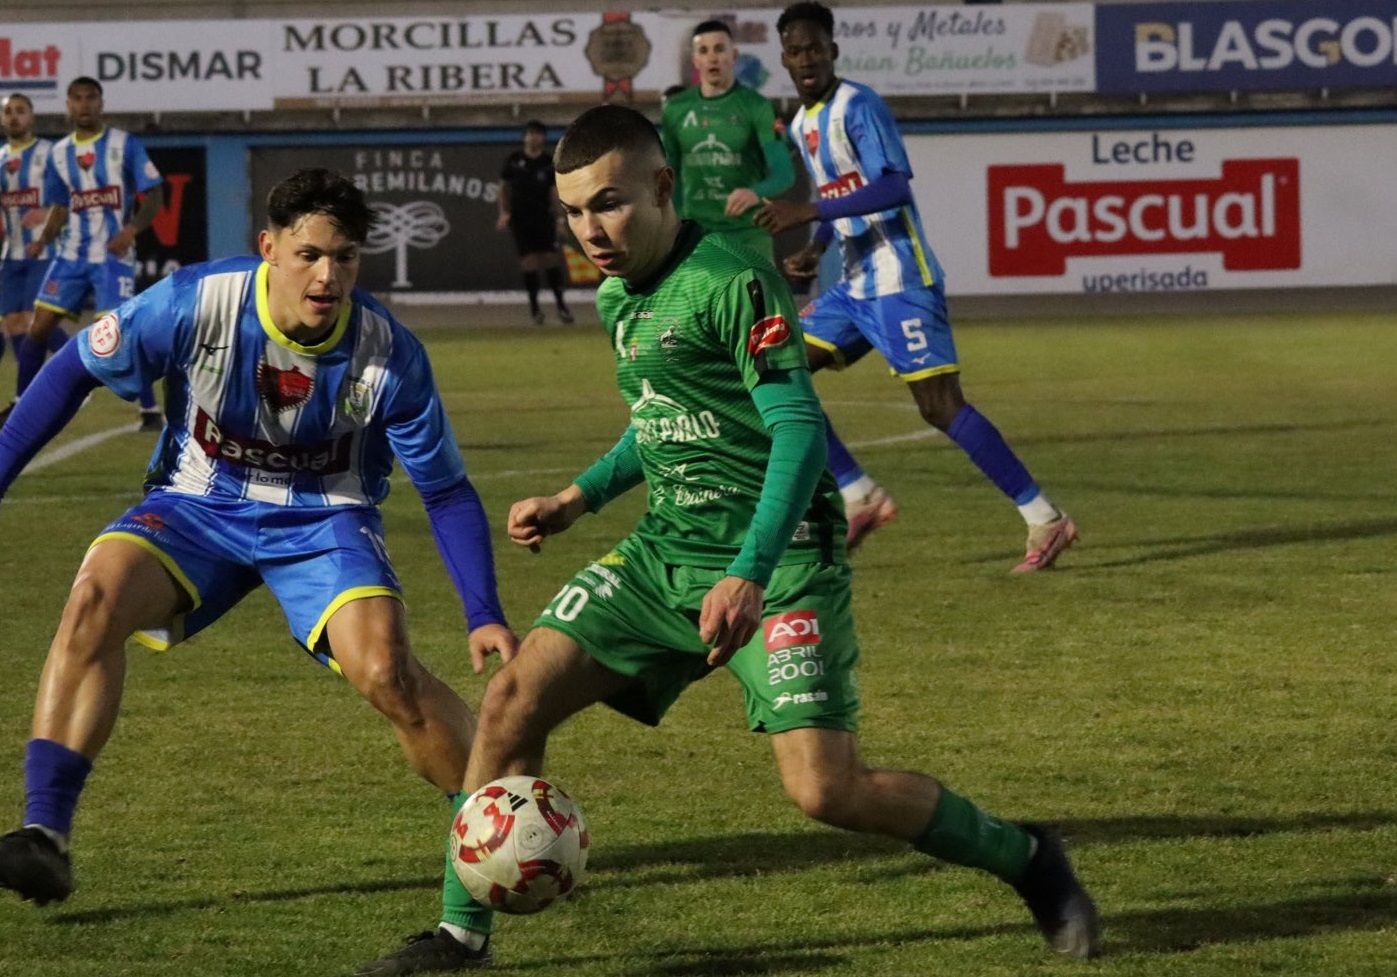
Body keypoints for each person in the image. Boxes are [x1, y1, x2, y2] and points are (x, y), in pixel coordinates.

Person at [357, 105, 1099, 976]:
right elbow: (662, 417)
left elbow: (795, 432)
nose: (590, 231)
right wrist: (575, 498)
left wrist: (748, 572)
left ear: (663, 186)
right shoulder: (615, 293)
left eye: (608, 204)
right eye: (574, 212)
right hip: (663, 553)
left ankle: (1027, 857)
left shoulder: (731, 279)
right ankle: (459, 937)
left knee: (826, 789)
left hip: (778, 565)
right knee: (512, 698)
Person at [0, 168, 517, 908]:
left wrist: (483, 609)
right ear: (268, 247)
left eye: (344, 257)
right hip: (196, 505)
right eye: (308, 254)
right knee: (93, 599)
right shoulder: (193, 302)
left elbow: (445, 489)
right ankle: (43, 834)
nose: (327, 274)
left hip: (325, 517)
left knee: (388, 675)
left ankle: (497, 833)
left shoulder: (388, 354)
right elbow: (71, 368)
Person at [755, 3, 1077, 572]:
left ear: (833, 50)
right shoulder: (804, 123)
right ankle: (859, 495)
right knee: (772, 366)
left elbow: (894, 187)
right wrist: (816, 246)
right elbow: (841, 192)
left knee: (939, 406)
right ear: (784, 58)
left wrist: (807, 208)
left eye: (815, 47)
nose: (806, 59)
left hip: (901, 279)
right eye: (795, 51)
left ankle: (1045, 520)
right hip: (855, 283)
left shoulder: (859, 105)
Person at [7, 76, 164, 431]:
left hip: (111, 257)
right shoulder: (59, 154)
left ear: (101, 103)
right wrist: (43, 241)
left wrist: (131, 230)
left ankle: (151, 410)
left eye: (90, 98)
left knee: (118, 334)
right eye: (77, 98)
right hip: (70, 256)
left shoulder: (124, 144)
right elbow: (60, 208)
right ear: (68, 105)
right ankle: (20, 406)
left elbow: (153, 193)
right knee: (38, 327)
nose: (84, 105)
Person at [660, 19, 794, 265]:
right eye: (704, 51)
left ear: (733, 56)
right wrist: (674, 225)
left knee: (756, 304)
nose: (712, 57)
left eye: (719, 49)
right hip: (696, 237)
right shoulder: (675, 110)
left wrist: (755, 192)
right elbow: (669, 174)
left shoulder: (758, 106)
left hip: (749, 235)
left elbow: (784, 173)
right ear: (695, 61)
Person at [0, 94, 62, 388]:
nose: (13, 117)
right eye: (8, 112)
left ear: (32, 117)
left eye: (20, 111)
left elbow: (72, 195)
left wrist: (45, 212)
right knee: (12, 322)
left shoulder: (50, 153)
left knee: (32, 319)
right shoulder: (0, 158)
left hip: (43, 250)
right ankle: (25, 393)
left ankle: (75, 371)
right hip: (9, 254)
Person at [497, 120, 573, 325]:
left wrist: (559, 219)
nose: (534, 137)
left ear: (543, 138)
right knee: (528, 262)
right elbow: (503, 188)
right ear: (525, 137)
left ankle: (561, 306)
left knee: (550, 259)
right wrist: (503, 212)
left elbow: (554, 193)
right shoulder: (514, 160)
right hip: (521, 220)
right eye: (530, 133)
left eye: (538, 134)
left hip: (544, 218)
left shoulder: (548, 162)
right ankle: (535, 310)